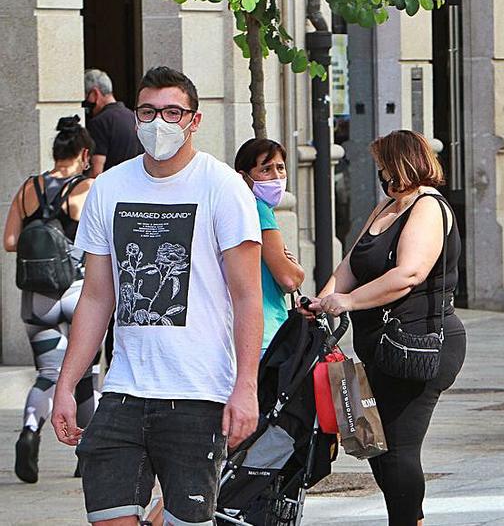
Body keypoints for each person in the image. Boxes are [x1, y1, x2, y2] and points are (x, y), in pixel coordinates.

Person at [50, 66, 263, 526]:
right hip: (124, 390)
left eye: (171, 111)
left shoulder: (223, 187)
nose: (158, 122)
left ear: (194, 120)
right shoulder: (109, 188)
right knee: (108, 516)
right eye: (148, 111)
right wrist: (66, 386)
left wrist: (246, 387)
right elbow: (96, 298)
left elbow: (247, 296)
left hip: (199, 393)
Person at [308, 130, 465, 525]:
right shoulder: (385, 208)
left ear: (403, 163)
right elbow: (350, 265)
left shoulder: (428, 206)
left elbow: (408, 274)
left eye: (383, 165)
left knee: (397, 447)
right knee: (376, 444)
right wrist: (323, 299)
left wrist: (347, 302)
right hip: (380, 346)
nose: (380, 173)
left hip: (418, 344)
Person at [4, 115, 97, 484]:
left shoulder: (29, 188)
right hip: (78, 293)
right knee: (85, 377)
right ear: (84, 154)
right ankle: (87, 453)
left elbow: (10, 242)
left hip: (37, 298)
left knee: (48, 373)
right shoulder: (87, 188)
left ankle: (29, 429)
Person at [234, 139, 305, 353]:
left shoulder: (238, 208)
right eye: (266, 169)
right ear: (243, 177)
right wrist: (299, 271)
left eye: (280, 168)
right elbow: (289, 279)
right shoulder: (259, 209)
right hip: (268, 333)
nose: (276, 177)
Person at [83, 69, 144, 177]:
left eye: (86, 96)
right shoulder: (133, 117)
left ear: (95, 93)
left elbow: (96, 172)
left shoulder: (99, 122)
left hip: (111, 189)